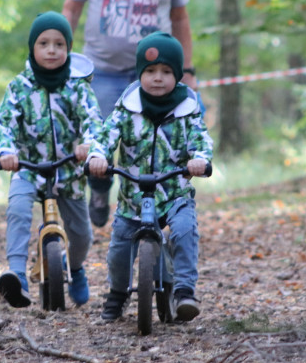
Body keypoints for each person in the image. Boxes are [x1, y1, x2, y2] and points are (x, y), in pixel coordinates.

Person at [62, 0, 198, 229]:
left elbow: (180, 18)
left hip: (155, 77)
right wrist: (63, 60)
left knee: (152, 147)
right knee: (99, 143)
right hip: (102, 70)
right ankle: (99, 189)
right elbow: (72, 7)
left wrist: (189, 70)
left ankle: (147, 217)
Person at [86, 32, 213, 322]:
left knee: (184, 231)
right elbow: (106, 134)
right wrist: (98, 156)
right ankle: (117, 295)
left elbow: (201, 138)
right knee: (119, 248)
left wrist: (200, 159)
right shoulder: (127, 105)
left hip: (174, 194)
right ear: (140, 72)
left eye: (166, 72)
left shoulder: (187, 108)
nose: (158, 78)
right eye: (151, 71)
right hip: (134, 197)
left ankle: (184, 291)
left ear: (178, 75)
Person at [0, 12, 102, 308]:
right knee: (17, 208)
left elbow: (93, 119)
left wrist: (88, 145)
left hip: (69, 170)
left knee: (81, 234)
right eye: (44, 43)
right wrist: (6, 152)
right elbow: (5, 122)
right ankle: (16, 274)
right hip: (27, 168)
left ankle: (76, 268)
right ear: (32, 48)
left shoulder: (78, 87)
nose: (51, 50)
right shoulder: (20, 87)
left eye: (59, 44)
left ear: (68, 48)